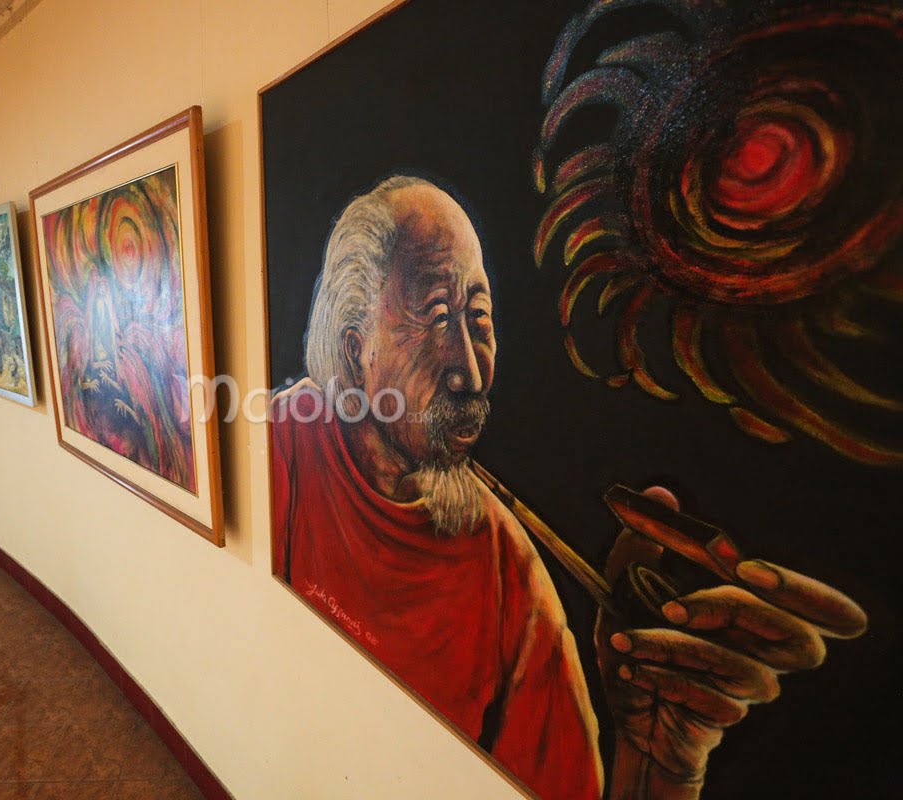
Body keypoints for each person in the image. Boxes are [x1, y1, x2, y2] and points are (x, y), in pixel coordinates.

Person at [270, 176, 866, 799]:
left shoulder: (508, 573)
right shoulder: (281, 453)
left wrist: (657, 766)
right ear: (355, 346)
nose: (471, 371)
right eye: (438, 318)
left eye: (479, 319)